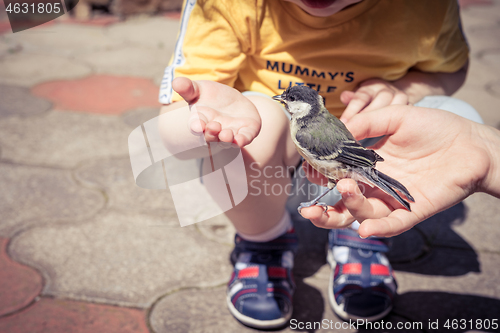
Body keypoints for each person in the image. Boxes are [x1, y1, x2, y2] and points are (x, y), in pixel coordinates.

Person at [158, 0, 474, 327]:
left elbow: (451, 69)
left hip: (360, 148)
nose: (285, 101)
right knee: (258, 120)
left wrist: (403, 89)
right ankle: (263, 239)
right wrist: (198, 123)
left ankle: (361, 229)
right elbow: (171, 122)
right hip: (265, 167)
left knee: (458, 119)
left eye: (289, 101)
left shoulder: (428, 8)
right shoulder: (226, 6)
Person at [300, 105, 500, 238]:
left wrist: (489, 157)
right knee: (338, 185)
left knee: (337, 184)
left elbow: (343, 156)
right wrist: (487, 154)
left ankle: (320, 209)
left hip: (348, 165)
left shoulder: (306, 132)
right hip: (352, 162)